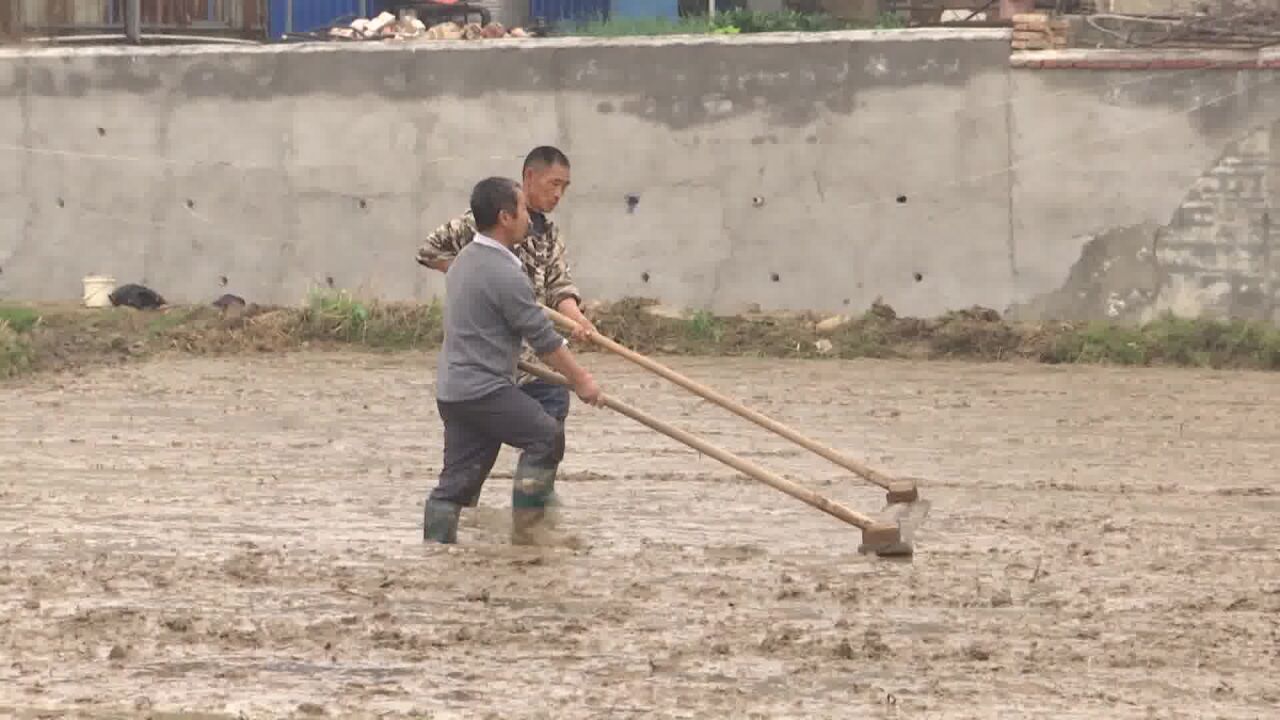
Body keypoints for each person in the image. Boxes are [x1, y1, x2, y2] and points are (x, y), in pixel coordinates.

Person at [424, 176, 602, 545]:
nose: (528, 218)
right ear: (505, 217)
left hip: (454, 392)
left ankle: (436, 556)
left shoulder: (463, 263)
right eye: (522, 210)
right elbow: (544, 339)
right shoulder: (505, 273)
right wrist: (581, 380)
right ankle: (529, 531)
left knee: (454, 486)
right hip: (484, 392)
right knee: (546, 436)